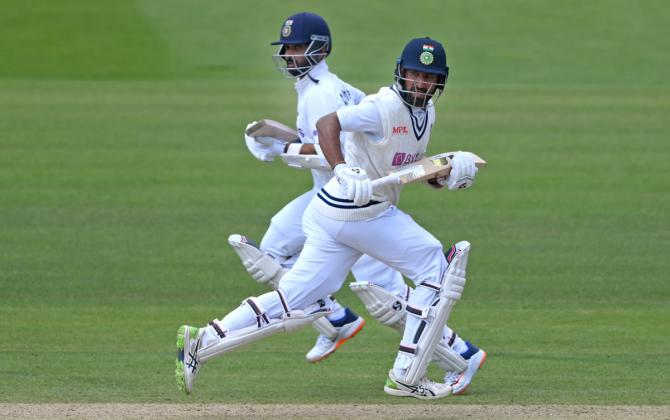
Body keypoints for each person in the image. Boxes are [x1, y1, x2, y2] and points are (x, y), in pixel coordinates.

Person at [176, 36, 486, 399]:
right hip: (358, 212)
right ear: (400, 73)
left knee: (294, 296)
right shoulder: (381, 106)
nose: (420, 82)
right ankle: (406, 374)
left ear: (439, 82)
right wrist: (342, 168)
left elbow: (404, 167)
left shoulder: (426, 113)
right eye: (414, 74)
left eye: (428, 77)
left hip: (335, 214)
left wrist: (446, 175)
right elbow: (328, 123)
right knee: (437, 266)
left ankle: (201, 341)